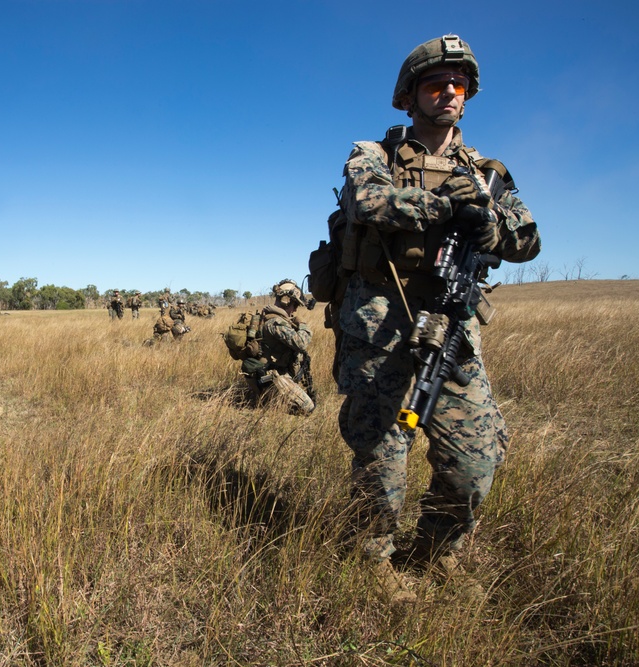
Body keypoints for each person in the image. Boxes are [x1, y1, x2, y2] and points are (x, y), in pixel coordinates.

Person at [332, 35, 541, 602]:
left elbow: (529, 240)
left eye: (458, 84)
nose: (448, 92)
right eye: (434, 84)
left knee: (475, 458)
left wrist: (489, 225)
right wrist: (447, 205)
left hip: (452, 327)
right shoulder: (373, 154)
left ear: (468, 95)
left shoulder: (488, 172)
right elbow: (367, 203)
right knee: (381, 449)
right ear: (410, 96)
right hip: (379, 324)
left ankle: (435, 553)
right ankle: (373, 557)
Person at [240, 280, 316, 415]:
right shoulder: (275, 322)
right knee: (307, 408)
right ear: (286, 301)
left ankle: (269, 398)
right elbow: (301, 342)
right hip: (272, 376)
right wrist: (303, 324)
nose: (295, 310)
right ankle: (271, 402)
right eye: (295, 305)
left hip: (269, 373)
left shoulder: (270, 317)